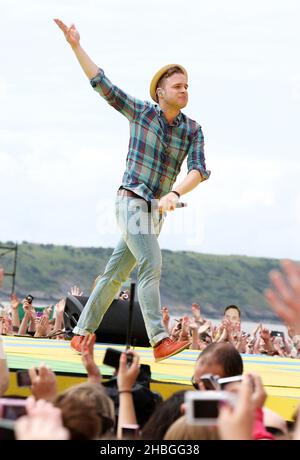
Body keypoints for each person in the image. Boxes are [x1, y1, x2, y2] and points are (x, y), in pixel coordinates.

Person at [54, 19, 211, 361]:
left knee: (114, 274)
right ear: (161, 92)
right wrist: (76, 46)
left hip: (157, 212)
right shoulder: (141, 112)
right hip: (131, 201)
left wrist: (175, 194)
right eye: (178, 86)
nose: (185, 91)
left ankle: (81, 333)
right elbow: (102, 84)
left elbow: (198, 170)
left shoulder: (193, 130)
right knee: (151, 263)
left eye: (187, 86)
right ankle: (159, 339)